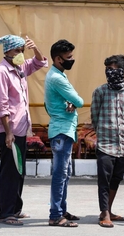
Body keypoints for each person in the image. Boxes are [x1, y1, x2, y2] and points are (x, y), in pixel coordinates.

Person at [0, 34, 48, 225]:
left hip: (21, 129)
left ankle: (15, 208)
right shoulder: (2, 72)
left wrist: (35, 48)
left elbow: (40, 62)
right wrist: (8, 133)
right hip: (10, 130)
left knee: (19, 171)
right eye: (17, 50)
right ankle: (6, 213)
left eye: (22, 51)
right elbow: (2, 105)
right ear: (7, 50)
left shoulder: (20, 68)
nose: (20, 54)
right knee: (10, 172)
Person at [91, 55, 124, 228]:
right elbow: (94, 117)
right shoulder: (100, 91)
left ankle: (108, 209)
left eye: (114, 68)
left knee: (116, 179)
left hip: (123, 145)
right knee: (104, 179)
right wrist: (103, 132)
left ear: (122, 70)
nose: (110, 72)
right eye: (107, 68)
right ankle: (104, 213)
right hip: (104, 144)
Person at [44, 39, 83, 228]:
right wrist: (73, 101)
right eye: (68, 57)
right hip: (61, 131)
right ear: (58, 59)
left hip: (64, 130)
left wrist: (70, 103)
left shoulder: (57, 74)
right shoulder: (57, 78)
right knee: (60, 174)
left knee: (64, 174)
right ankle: (55, 215)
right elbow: (79, 100)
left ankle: (61, 209)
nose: (71, 60)